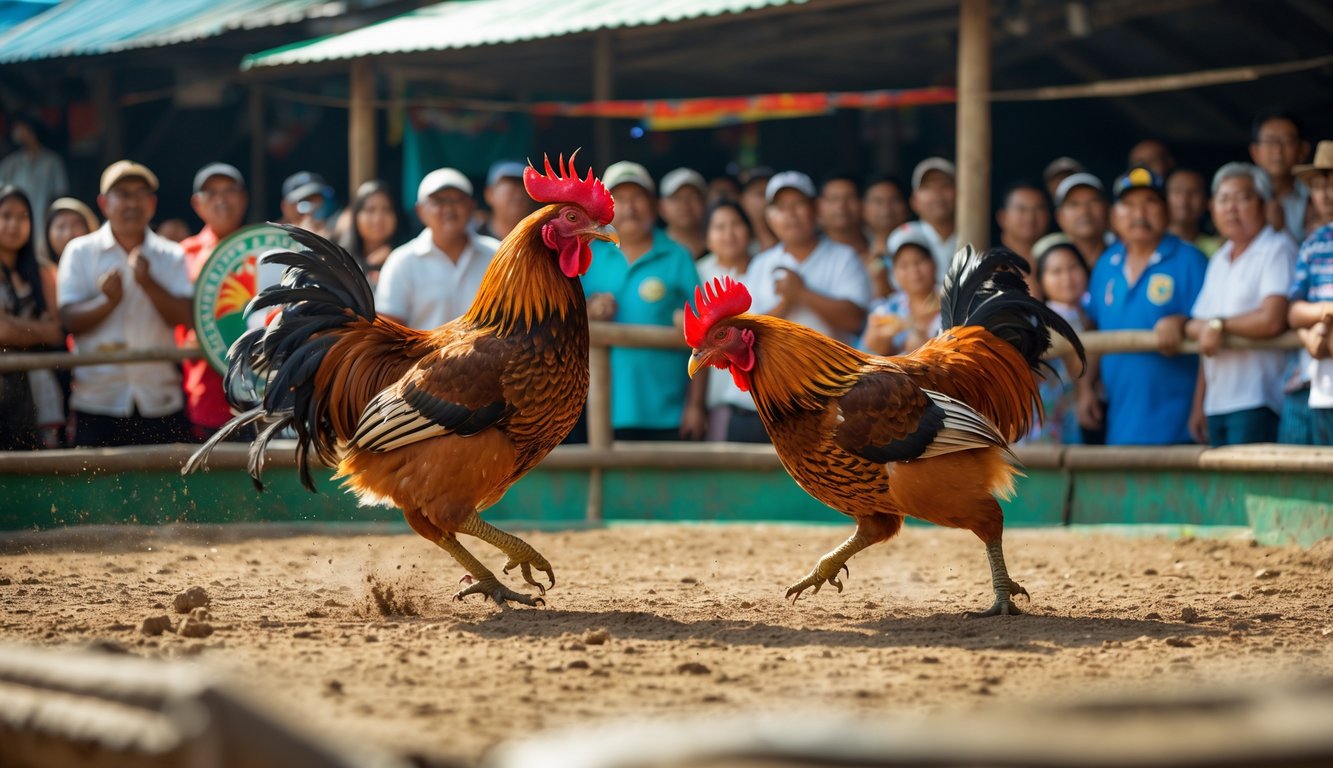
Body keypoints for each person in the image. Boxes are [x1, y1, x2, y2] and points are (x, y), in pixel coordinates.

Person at [56, 161, 193, 447]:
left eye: (141, 193)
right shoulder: (80, 251)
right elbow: (68, 320)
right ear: (104, 203)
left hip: (160, 400)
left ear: (152, 203)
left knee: (163, 491)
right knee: (97, 492)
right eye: (123, 194)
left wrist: (148, 284)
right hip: (98, 401)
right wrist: (108, 302)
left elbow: (187, 316)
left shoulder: (172, 254)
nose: (132, 202)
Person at [1080, 167, 1208, 446]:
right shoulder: (1106, 264)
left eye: (1150, 203)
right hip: (1120, 421)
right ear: (1114, 216)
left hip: (1180, 425)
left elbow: (1211, 339)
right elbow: (1094, 328)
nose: (1139, 214)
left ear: (1167, 211)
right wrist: (1086, 387)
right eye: (1129, 205)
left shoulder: (1191, 261)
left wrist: (1201, 407)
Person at [582, 161, 706, 441]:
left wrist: (696, 406)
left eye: (637, 197)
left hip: (669, 409)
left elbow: (707, 336)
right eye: (619, 199)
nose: (629, 207)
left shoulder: (677, 256)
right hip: (598, 408)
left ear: (653, 204)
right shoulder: (587, 256)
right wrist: (586, 313)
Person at [1185, 163, 1294, 447]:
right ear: (1212, 207)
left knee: (1247, 490)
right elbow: (1201, 328)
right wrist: (1200, 404)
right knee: (1222, 490)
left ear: (1264, 205)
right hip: (1216, 402)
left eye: (1242, 198)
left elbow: (1272, 319)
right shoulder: (1220, 258)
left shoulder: (1277, 248)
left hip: (1258, 398)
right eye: (1223, 199)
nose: (1231, 208)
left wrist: (1219, 325)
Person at [747, 171, 871, 346]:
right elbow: (748, 334)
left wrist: (802, 293)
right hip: (778, 372)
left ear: (815, 209)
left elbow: (856, 321)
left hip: (832, 371)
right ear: (769, 217)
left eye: (798, 204)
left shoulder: (844, 257)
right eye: (781, 207)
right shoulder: (760, 264)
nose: (790, 214)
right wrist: (786, 303)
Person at [179, 162, 249, 442]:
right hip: (205, 396)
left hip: (262, 397)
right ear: (197, 203)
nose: (221, 199)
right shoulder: (183, 255)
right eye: (211, 192)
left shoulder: (266, 248)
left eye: (230, 190)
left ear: (243, 197)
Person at [375, 168, 497, 330]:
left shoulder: (497, 254)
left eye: (456, 200)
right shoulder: (402, 261)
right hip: (420, 356)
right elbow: (387, 330)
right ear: (420, 211)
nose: (448, 209)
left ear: (471, 206)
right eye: (438, 201)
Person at [0, 186, 64, 449]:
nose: (14, 224)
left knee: (42, 468)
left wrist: (13, 325)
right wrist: (39, 328)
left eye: (23, 216)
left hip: (41, 389)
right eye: (6, 216)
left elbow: (58, 333)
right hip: (3, 388)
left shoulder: (44, 272)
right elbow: (2, 331)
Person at [696, 201, 765, 442]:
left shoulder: (766, 269)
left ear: (750, 231)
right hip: (717, 399)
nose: (729, 233)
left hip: (766, 398)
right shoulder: (697, 273)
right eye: (719, 226)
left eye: (736, 224)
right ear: (707, 238)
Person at [1286, 140, 1333, 445]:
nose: (1325, 194)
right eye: (1317, 186)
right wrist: (1313, 331)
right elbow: (1292, 311)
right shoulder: (1314, 243)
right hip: (1324, 385)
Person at [1027, 235, 1090, 445]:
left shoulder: (1091, 315)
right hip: (1046, 423)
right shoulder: (1039, 320)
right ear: (1041, 280)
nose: (1067, 278)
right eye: (1056, 271)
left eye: (1073, 267)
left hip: (1073, 418)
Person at [861, 227, 940, 356]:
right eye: (904, 265)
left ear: (934, 263)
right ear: (894, 272)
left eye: (919, 261)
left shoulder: (953, 302)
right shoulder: (886, 310)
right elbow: (868, 352)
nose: (914, 270)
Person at [0, 113, 68, 256]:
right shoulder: (10, 164)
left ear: (30, 130)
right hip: (15, 224)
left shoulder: (52, 162)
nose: (15, 132)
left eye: (19, 128)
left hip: (43, 221)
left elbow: (60, 195)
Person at [1249, 109, 1311, 242]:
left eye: (1287, 141)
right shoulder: (1243, 190)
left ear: (1303, 150)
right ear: (1255, 152)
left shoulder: (1315, 195)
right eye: (1269, 141)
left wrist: (1281, 229)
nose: (1278, 150)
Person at [900, 157, 958, 283]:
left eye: (945, 185)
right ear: (914, 201)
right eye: (927, 187)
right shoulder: (904, 236)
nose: (937, 194)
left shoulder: (976, 235)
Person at [336, 179, 400, 284]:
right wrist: (367, 266)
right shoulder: (339, 261)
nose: (378, 219)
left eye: (387, 209)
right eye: (370, 210)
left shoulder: (406, 259)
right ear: (355, 216)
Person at [995, 180, 1052, 297]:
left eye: (1038, 209)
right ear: (1002, 217)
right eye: (1021, 209)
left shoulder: (1058, 257)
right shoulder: (988, 261)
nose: (1030, 217)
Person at [861, 175, 910, 299]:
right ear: (863, 207)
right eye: (878, 201)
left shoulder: (919, 241)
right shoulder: (856, 244)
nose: (886, 209)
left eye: (894, 200)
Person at [1055, 172, 1112, 268]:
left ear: (1107, 209)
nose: (1084, 211)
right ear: (1060, 217)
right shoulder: (1050, 262)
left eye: (1093, 201)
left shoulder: (1128, 254)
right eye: (1074, 204)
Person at [1165, 168, 1223, 256]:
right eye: (1177, 191)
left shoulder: (1219, 251)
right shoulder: (1149, 245)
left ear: (1206, 202)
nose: (1184, 200)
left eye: (1194, 192)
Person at [477, 160, 536, 241]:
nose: (518, 194)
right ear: (490, 194)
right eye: (511, 185)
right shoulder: (471, 239)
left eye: (524, 185)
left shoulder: (543, 240)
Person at [659, 168, 708, 259]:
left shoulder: (723, 245)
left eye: (693, 196)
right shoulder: (653, 250)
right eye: (676, 198)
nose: (684, 204)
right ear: (661, 207)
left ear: (705, 202)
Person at [817, 173, 869, 257]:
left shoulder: (876, 244)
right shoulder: (807, 247)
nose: (841, 206)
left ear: (862, 203)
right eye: (833, 199)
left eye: (849, 198)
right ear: (818, 205)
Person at [44, 197, 98, 265]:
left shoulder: (101, 266)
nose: (68, 234)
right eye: (61, 227)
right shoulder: (42, 272)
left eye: (76, 225)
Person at [278, 171, 333, 236]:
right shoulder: (272, 235)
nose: (312, 207)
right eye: (303, 200)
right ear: (285, 206)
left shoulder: (333, 228)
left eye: (316, 198)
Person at [738, 166, 777, 252]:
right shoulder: (737, 243)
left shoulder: (793, 236)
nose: (766, 200)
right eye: (760, 194)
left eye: (770, 194)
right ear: (742, 199)